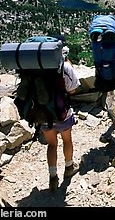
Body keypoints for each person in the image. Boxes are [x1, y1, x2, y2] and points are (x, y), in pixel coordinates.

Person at [39, 44, 81, 192]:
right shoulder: (65, 67)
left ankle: (52, 176)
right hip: (62, 112)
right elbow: (74, 88)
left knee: (52, 144)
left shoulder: (37, 68)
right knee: (67, 140)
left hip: (42, 114)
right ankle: (69, 167)